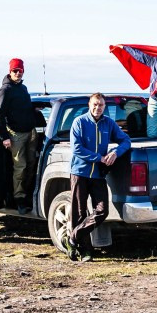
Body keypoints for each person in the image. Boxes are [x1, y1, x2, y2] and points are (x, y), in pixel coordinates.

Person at [65, 93, 132, 262]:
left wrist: (116, 152)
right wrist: (99, 158)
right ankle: (84, 251)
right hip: (79, 173)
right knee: (79, 213)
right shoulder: (79, 122)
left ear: (104, 107)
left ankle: (73, 237)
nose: (98, 108)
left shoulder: (108, 123)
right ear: (89, 105)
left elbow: (126, 141)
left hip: (98, 175)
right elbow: (77, 149)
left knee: (102, 211)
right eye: (95, 104)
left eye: (101, 105)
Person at [0, 58, 36, 212]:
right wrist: (4, 137)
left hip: (31, 132)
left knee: (32, 164)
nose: (18, 73)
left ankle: (28, 194)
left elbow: (23, 108)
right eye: (15, 71)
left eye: (20, 70)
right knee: (21, 167)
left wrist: (34, 110)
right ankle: (19, 199)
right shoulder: (4, 91)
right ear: (10, 72)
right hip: (15, 134)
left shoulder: (23, 88)